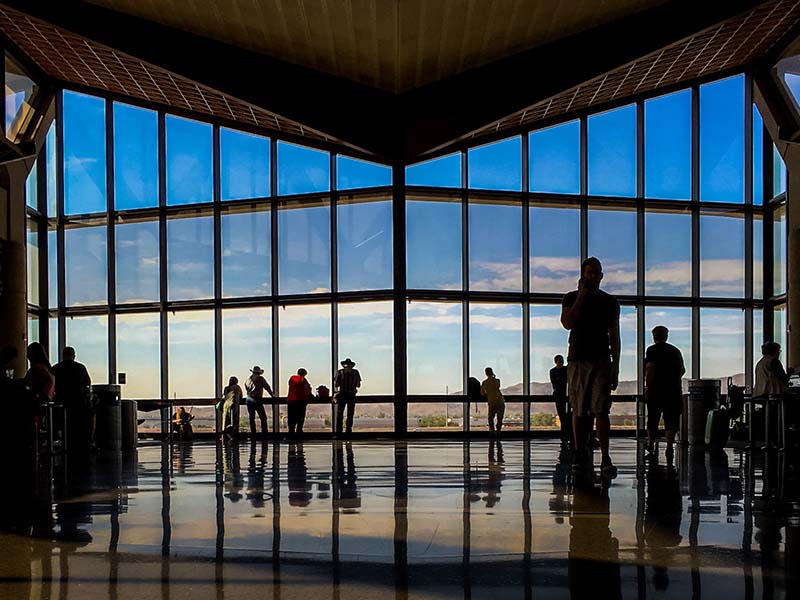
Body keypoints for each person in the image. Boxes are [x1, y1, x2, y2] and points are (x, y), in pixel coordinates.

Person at [561, 257, 621, 477]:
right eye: (589, 273)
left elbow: (615, 336)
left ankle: (605, 456)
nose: (593, 276)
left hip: (601, 360)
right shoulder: (571, 298)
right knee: (578, 409)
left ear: (601, 275)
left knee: (601, 410)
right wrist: (581, 296)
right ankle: (579, 452)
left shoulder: (610, 303)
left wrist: (615, 366)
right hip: (578, 360)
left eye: (596, 273)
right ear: (583, 275)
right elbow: (568, 323)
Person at [644, 326, 685, 461]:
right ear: (666, 336)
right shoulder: (675, 351)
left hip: (656, 391)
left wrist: (648, 387)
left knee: (653, 419)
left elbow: (650, 369)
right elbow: (682, 371)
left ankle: (650, 444)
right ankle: (669, 446)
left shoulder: (651, 351)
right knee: (671, 420)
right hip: (673, 391)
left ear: (654, 336)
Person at [53, 346, 94, 452]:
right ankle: (85, 444)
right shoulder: (81, 368)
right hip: (78, 402)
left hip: (61, 401)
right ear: (74, 356)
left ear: (62, 355)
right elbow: (87, 383)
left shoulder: (56, 368)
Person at [334, 358, 361, 435]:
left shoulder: (340, 372)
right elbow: (358, 385)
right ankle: (348, 431)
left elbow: (336, 384)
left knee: (340, 413)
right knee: (349, 413)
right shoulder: (355, 372)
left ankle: (340, 432)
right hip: (351, 394)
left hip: (343, 394)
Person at [245, 365, 273, 437]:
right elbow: (267, 387)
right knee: (263, 418)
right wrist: (272, 395)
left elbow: (246, 388)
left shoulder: (248, 380)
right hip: (257, 399)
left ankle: (253, 434)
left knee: (252, 418)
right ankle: (264, 434)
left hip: (248, 399)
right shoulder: (260, 379)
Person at [550, 354, 571, 447]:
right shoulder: (565, 370)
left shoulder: (553, 371)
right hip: (563, 395)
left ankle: (564, 435)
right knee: (563, 416)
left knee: (563, 416)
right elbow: (557, 381)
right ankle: (566, 434)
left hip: (560, 395)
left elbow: (555, 382)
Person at [287, 368, 312, 436]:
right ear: (304, 374)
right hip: (300, 401)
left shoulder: (291, 378)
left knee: (291, 417)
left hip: (291, 400)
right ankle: (299, 431)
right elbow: (307, 389)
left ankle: (291, 432)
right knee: (300, 417)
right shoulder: (303, 379)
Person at [480, 367, 505, 433]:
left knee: (490, 418)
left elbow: (482, 393)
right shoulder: (497, 381)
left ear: (486, 373)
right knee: (500, 418)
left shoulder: (485, 382)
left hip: (492, 402)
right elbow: (498, 387)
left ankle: (492, 430)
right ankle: (498, 431)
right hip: (500, 401)